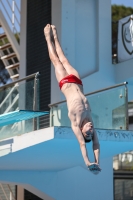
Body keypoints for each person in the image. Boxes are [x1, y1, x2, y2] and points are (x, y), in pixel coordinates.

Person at [44, 24, 101, 174]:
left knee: (56, 61)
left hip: (65, 83)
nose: (91, 129)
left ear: (81, 131)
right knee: (65, 60)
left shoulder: (76, 123)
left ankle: (48, 39)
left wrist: (88, 162)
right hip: (77, 81)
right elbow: (96, 144)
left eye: (88, 132)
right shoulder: (90, 121)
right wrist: (97, 161)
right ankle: (55, 37)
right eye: (91, 131)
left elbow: (83, 145)